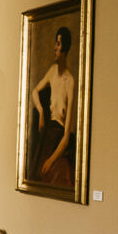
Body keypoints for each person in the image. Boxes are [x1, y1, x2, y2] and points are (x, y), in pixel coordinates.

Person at [30, 26, 76, 186]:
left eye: (58, 43)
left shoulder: (70, 81)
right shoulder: (52, 70)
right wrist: (41, 112)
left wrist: (51, 160)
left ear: (64, 48)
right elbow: (34, 91)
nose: (55, 48)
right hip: (47, 134)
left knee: (55, 172)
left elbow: (66, 134)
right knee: (36, 174)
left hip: (59, 140)